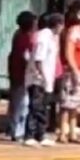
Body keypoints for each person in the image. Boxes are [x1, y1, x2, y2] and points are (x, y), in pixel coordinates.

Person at [24, 13, 63, 147]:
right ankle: (29, 135)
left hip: (46, 78)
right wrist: (41, 74)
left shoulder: (51, 37)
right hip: (38, 78)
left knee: (42, 107)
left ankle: (40, 134)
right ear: (58, 25)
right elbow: (38, 58)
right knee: (36, 106)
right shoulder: (43, 37)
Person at [58, 7, 80, 144]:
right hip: (72, 72)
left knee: (75, 104)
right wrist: (74, 70)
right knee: (67, 102)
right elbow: (69, 53)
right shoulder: (73, 32)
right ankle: (63, 132)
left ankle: (72, 132)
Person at [6, 11, 37, 142]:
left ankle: (12, 128)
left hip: (15, 71)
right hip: (22, 73)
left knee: (16, 102)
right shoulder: (25, 38)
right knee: (22, 103)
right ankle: (17, 130)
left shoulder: (17, 34)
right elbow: (26, 56)